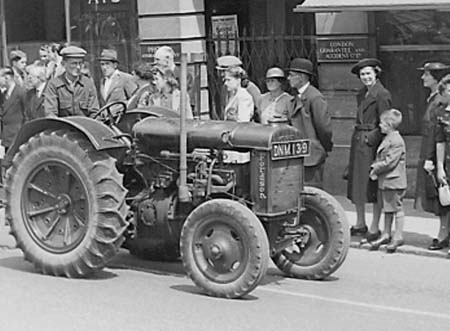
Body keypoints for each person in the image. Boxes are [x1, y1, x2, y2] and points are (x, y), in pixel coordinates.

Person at [346, 58, 392, 240]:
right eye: (362, 74)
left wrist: (371, 139)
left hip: (372, 144)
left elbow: (386, 121)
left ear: (376, 73)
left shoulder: (382, 94)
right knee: (357, 183)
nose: (365, 77)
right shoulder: (362, 93)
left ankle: (374, 226)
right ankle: (360, 222)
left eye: (368, 74)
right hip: (359, 142)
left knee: (372, 184)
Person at [414, 62, 450, 251]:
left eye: (426, 74)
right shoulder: (433, 99)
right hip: (432, 150)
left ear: (436, 77)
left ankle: (443, 234)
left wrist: (431, 159)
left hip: (438, 153)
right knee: (440, 196)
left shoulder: (441, 101)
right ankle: (444, 232)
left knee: (442, 195)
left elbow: (438, 133)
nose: (423, 78)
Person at [287, 58, 333, 188]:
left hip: (312, 155)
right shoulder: (298, 96)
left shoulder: (315, 97)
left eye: (291, 75)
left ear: (301, 77)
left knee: (312, 192)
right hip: (300, 153)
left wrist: (322, 147)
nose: (288, 78)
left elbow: (324, 127)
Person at [368, 109, 407, 253]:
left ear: (390, 124)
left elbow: (390, 161)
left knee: (397, 208)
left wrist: (375, 168)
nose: (380, 126)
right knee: (388, 208)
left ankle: (398, 236)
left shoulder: (396, 141)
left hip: (394, 181)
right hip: (387, 181)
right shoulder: (388, 138)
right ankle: (386, 234)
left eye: (383, 123)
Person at [44, 45, 99, 117]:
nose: (78, 67)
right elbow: (50, 113)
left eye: (80, 63)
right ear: (63, 64)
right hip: (62, 127)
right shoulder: (54, 85)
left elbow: (94, 112)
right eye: (74, 63)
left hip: (83, 126)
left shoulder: (88, 84)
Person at [433, 74, 450, 254]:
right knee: (445, 202)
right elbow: (440, 142)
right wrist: (439, 167)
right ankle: (444, 236)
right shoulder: (442, 114)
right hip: (448, 163)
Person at [153, 46, 196, 111]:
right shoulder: (156, 75)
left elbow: (189, 101)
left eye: (157, 59)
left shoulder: (185, 75)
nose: (155, 62)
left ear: (167, 59)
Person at [0, 67, 26, 151]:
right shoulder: (3, 95)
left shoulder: (21, 93)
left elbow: (27, 113)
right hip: (7, 137)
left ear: (6, 78)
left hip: (18, 136)